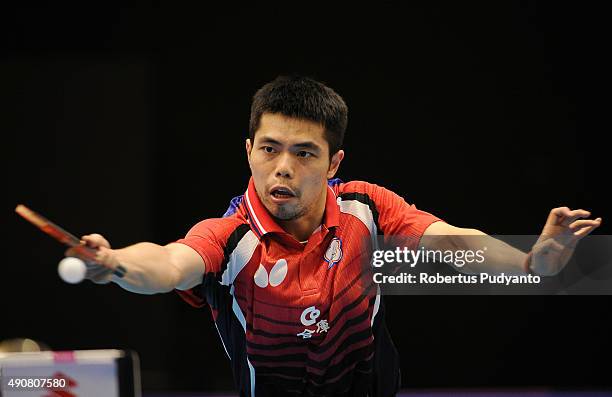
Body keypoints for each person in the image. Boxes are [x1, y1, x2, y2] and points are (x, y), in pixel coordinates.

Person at [67, 76, 602, 397]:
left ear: (333, 162)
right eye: (269, 148)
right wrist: (113, 261)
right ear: (248, 150)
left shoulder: (364, 206)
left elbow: (450, 241)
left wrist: (531, 265)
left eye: (303, 153)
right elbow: (165, 265)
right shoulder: (229, 237)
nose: (282, 168)